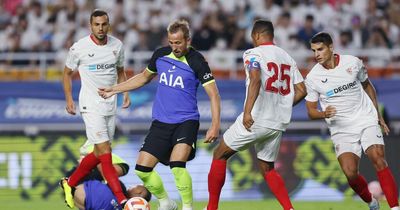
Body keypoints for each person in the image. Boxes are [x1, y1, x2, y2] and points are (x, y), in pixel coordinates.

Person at [98, 19, 221, 210]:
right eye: (171, 42)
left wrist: (214, 125)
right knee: (142, 170)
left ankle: (187, 207)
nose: (174, 47)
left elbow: (214, 95)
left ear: (187, 39)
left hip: (186, 121)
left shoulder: (197, 61)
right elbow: (143, 78)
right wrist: (114, 89)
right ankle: (166, 202)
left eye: (178, 43)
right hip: (161, 122)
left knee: (177, 166)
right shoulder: (161, 55)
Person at [205, 19, 306, 210]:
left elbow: (255, 78)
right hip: (277, 123)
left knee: (220, 154)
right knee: (267, 167)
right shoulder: (286, 57)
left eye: (252, 38)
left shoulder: (253, 53)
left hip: (257, 117)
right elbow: (302, 90)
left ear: (257, 36)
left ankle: (211, 208)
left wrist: (247, 112)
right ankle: (289, 208)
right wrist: (282, 106)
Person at [304, 32, 399, 210]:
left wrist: (377, 115)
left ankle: (394, 207)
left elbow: (367, 86)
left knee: (378, 158)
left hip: (365, 117)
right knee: (350, 173)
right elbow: (310, 111)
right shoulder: (312, 78)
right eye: (314, 50)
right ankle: (372, 202)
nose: (316, 54)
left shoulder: (353, 63)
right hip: (341, 128)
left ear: (331, 47)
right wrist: (323, 114)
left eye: (320, 49)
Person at [61, 9, 131, 209]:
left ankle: (70, 182)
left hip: (110, 105)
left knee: (100, 152)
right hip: (90, 105)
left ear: (108, 25)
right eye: (96, 24)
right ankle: (121, 199)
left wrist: (125, 92)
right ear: (90, 26)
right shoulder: (79, 47)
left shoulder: (117, 46)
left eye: (104, 24)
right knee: (105, 151)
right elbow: (66, 74)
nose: (100, 28)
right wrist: (69, 98)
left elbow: (120, 71)